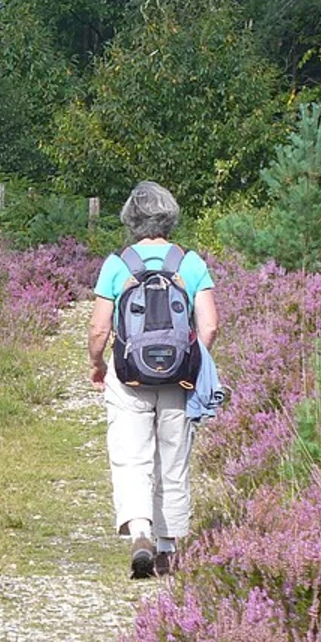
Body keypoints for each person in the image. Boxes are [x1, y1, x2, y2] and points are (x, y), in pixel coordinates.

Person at [87, 182, 219, 578]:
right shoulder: (190, 262)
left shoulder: (118, 263)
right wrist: (190, 361)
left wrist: (97, 364)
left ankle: (140, 532)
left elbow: (99, 329)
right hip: (179, 379)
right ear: (170, 216)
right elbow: (210, 326)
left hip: (129, 376)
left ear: (130, 219)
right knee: (173, 460)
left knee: (131, 457)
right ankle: (166, 548)